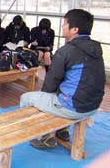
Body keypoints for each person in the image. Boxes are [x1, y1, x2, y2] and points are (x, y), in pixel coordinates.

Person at [20, 9, 105, 149]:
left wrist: (42, 99)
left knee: (27, 98)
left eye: (65, 24)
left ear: (75, 29)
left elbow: (50, 84)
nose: (62, 26)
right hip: (93, 105)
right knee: (61, 90)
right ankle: (63, 130)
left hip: (75, 107)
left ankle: (45, 136)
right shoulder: (95, 48)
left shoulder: (66, 51)